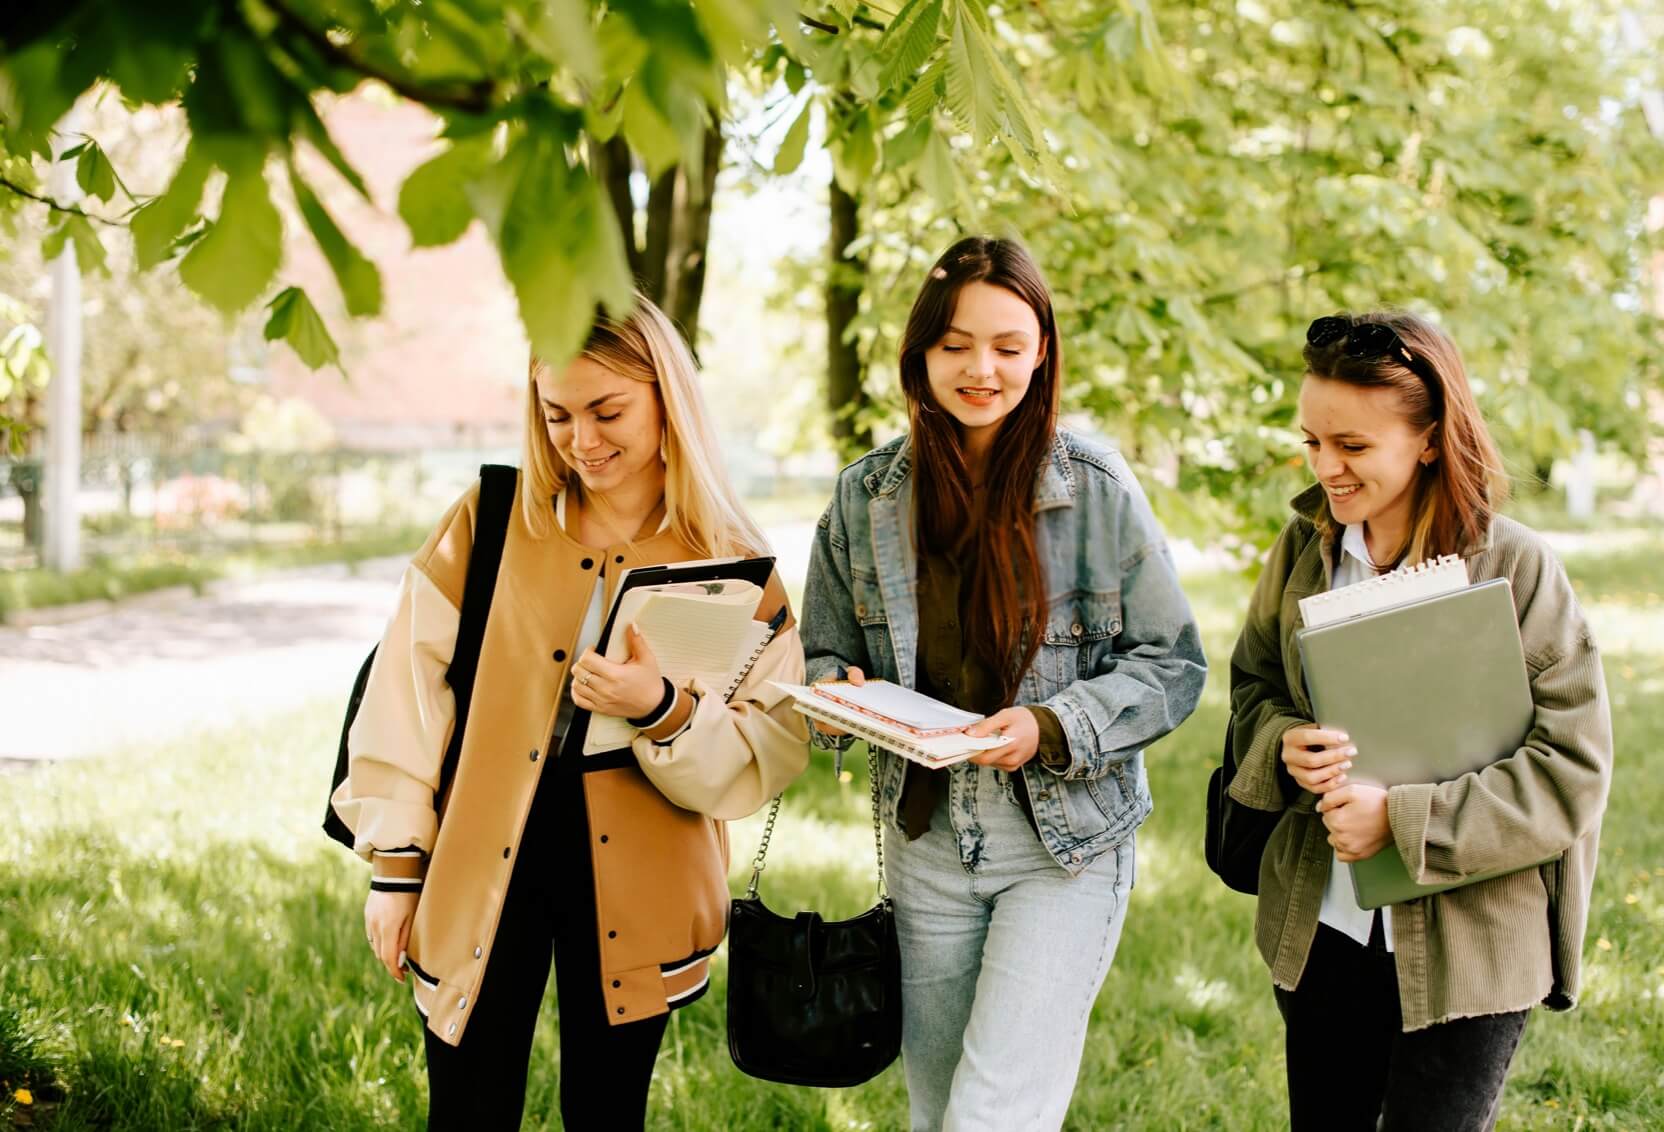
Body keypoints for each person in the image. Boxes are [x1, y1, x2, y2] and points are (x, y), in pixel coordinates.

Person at [330, 296, 809, 1131]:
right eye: (557, 415)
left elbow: (768, 748)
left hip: (643, 868)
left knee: (607, 1112)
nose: (582, 441)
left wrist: (660, 710)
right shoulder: (489, 521)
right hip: (484, 852)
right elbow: (406, 693)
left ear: (668, 397)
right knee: (467, 1106)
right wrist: (397, 865)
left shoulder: (732, 561)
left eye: (607, 411)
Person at [800, 236, 1207, 1131]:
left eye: (1008, 346)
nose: (981, 369)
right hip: (927, 847)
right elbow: (822, 660)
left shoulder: (1097, 489)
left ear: (1043, 352)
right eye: (955, 345)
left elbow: (1173, 664)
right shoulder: (863, 499)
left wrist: (1051, 726)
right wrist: (835, 700)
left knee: (992, 1116)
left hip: (1065, 847)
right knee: (938, 1107)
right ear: (920, 356)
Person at [1226, 311, 1614, 1131]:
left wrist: (1403, 823)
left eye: (1353, 447)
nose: (1326, 467)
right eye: (1312, 443)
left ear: (1431, 438)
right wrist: (1283, 745)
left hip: (1470, 952)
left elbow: (1570, 769)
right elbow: (1253, 685)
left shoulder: (1517, 567)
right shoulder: (1303, 553)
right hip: (1323, 932)